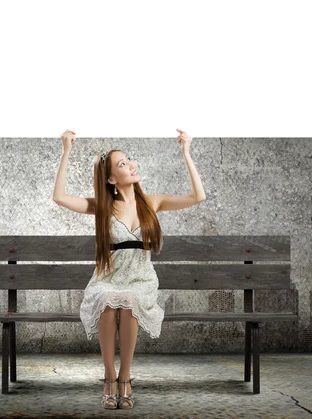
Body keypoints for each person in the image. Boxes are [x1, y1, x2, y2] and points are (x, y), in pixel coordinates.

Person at [52, 129, 206, 409]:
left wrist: (187, 153)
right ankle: (109, 377)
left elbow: (198, 196)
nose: (131, 164)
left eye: (129, 159)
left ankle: (125, 378)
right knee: (110, 301)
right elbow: (60, 197)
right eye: (122, 164)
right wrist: (66, 152)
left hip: (140, 279)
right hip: (109, 278)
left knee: (129, 301)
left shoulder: (152, 202)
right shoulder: (102, 206)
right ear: (111, 178)